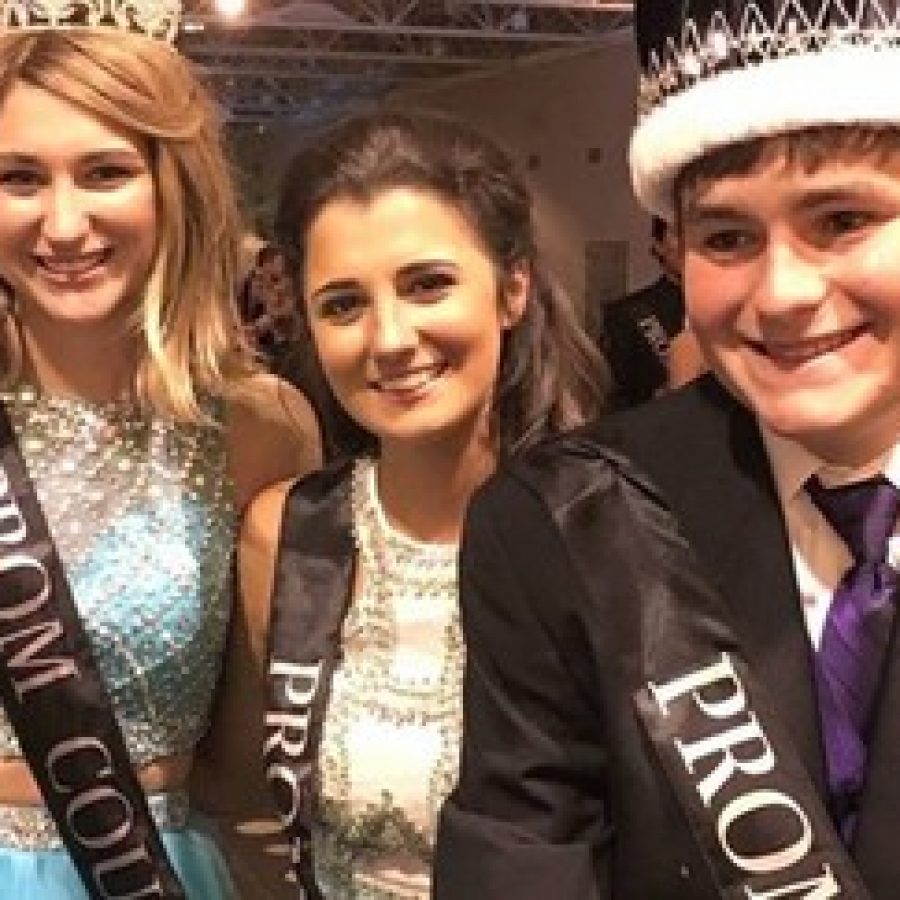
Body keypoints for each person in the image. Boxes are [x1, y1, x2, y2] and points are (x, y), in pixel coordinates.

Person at [434, 0, 900, 897]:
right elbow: (521, 851)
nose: (784, 293)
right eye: (728, 237)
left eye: (841, 219)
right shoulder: (561, 521)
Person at [242, 110, 605, 898]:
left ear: (513, 290)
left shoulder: (614, 527)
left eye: (427, 284)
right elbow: (251, 818)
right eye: (343, 304)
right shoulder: (289, 536)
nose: (392, 337)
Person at [0, 10, 321, 900]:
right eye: (18, 178)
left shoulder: (262, 427)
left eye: (103, 172)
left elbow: (258, 761)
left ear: (170, 184)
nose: (63, 224)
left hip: (155, 870)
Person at [601, 216, 688, 406]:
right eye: (678, 233)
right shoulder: (628, 313)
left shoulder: (735, 309)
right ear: (659, 245)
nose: (688, 242)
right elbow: (612, 400)